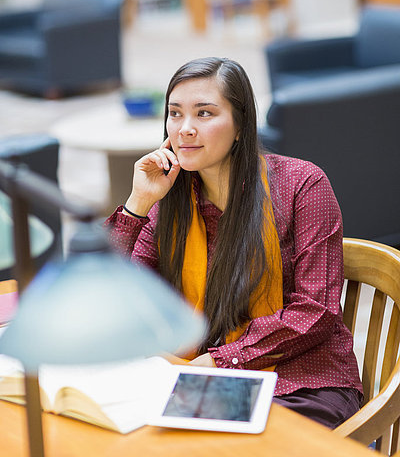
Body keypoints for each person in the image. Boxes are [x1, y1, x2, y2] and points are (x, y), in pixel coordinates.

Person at [105, 57, 363, 429]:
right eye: (175, 114)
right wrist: (138, 204)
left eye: (204, 113)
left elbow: (315, 313)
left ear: (241, 125)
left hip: (301, 383)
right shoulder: (171, 202)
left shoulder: (302, 185)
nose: (185, 129)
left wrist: (218, 362)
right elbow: (108, 290)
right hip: (203, 378)